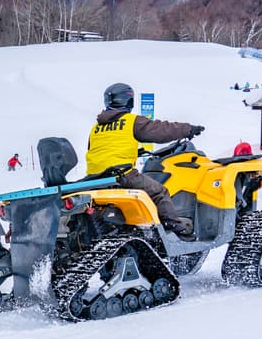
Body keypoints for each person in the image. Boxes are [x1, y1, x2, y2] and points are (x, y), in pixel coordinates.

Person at [85, 82, 203, 237]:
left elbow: (101, 149)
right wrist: (188, 129)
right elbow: (161, 130)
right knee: (159, 192)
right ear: (129, 100)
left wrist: (134, 151)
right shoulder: (131, 121)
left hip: (95, 178)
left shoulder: (96, 127)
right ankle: (175, 228)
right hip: (122, 174)